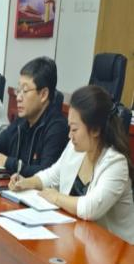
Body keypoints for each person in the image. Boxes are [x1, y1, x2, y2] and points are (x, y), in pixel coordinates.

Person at [8, 85, 134, 244]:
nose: (69, 135)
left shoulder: (116, 164)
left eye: (74, 129)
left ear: (95, 130)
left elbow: (90, 209)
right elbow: (52, 175)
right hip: (81, 239)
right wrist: (26, 182)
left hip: (115, 249)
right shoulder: (76, 148)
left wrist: (56, 197)